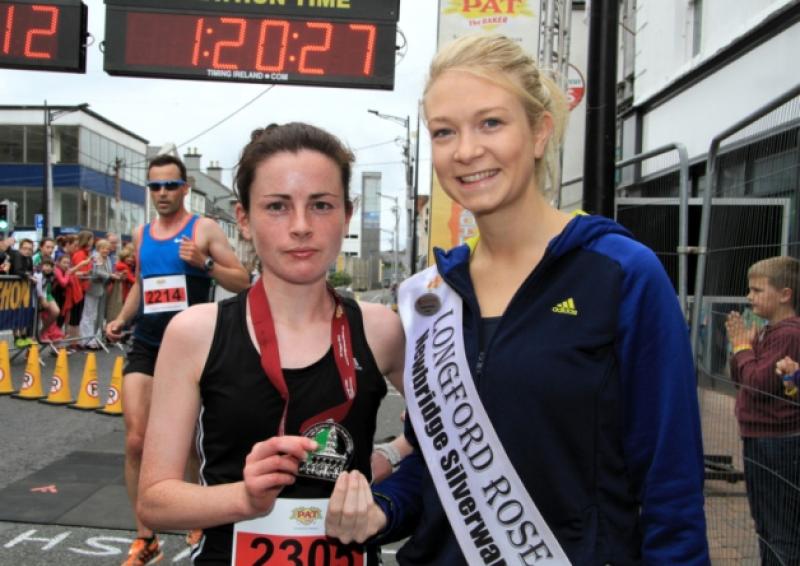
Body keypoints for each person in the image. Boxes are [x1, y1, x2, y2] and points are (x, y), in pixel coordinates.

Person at [327, 34, 710, 564]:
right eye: (444, 131)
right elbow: (438, 466)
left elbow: (671, 486)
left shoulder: (622, 274)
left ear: (539, 132)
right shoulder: (430, 297)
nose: (465, 150)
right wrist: (382, 510)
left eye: (491, 123)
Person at [136, 123, 405, 565]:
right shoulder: (195, 332)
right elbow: (155, 500)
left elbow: (446, 434)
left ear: (347, 215)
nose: (301, 227)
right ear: (243, 219)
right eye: (277, 207)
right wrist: (244, 497)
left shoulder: (381, 329)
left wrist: (388, 457)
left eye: (321, 205)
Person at [105, 154, 251, 566]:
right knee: (136, 439)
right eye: (155, 187)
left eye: (170, 186)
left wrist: (203, 263)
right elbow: (141, 283)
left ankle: (196, 514)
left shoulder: (201, 229)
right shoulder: (141, 232)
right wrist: (120, 319)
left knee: (190, 442)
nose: (163, 193)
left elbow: (241, 279)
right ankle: (145, 537)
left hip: (192, 346)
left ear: (185, 188)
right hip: (148, 343)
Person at [725, 256, 800, 565]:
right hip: (762, 437)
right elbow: (741, 375)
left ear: (785, 294)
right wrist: (744, 349)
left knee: (780, 527)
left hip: (777, 441)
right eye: (749, 290)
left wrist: (743, 348)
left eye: (757, 290)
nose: (749, 297)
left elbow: (756, 382)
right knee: (766, 523)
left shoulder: (788, 335)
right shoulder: (771, 332)